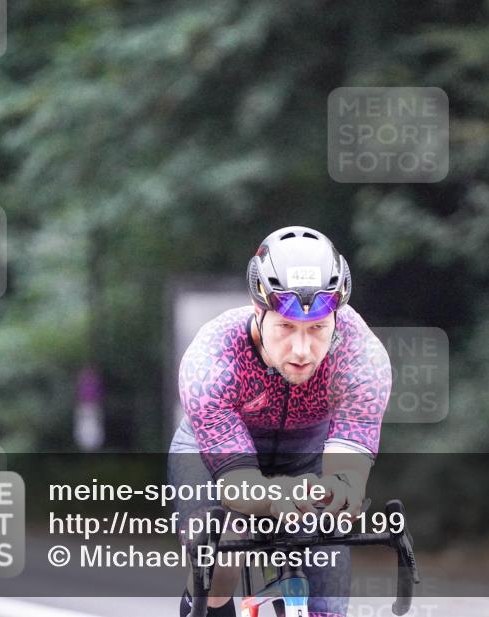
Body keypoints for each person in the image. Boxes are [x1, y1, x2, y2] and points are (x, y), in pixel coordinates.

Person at [168, 226, 392, 617]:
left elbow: (347, 481)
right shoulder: (212, 360)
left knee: (329, 578)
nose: (303, 350)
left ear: (336, 319)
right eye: (286, 327)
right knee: (220, 556)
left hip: (308, 453)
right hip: (215, 462)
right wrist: (279, 496)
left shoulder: (361, 359)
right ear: (259, 311)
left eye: (318, 328)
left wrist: (335, 495)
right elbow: (236, 485)